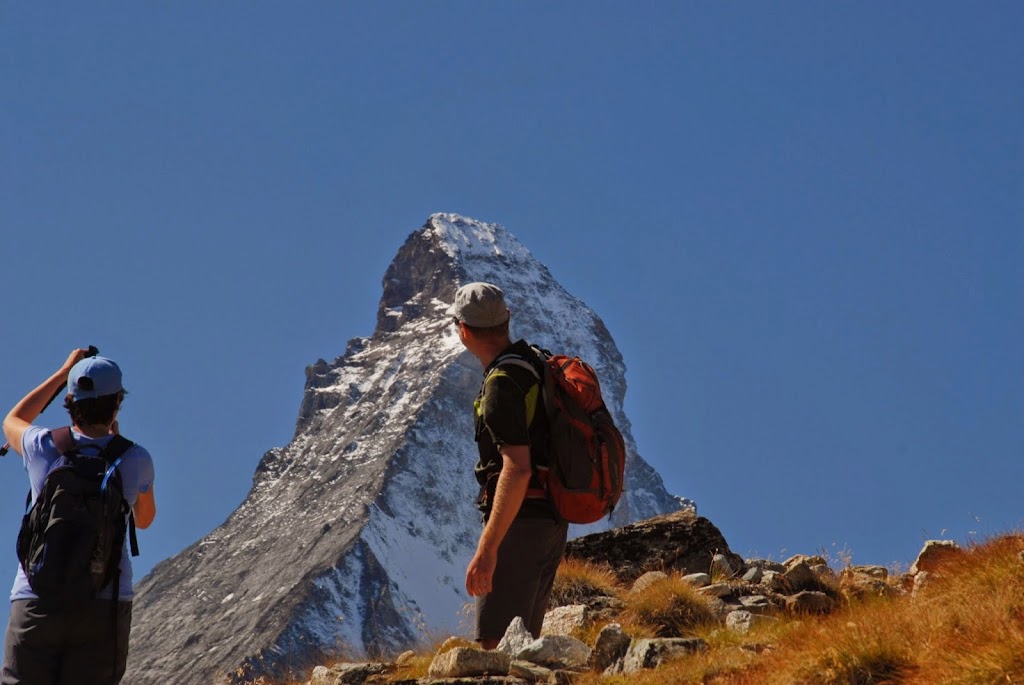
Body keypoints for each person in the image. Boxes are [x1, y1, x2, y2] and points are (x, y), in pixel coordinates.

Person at [1, 349, 156, 685]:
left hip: (36, 598)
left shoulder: (42, 446)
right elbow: (144, 519)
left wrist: (62, 372)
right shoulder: (135, 459)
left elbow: (11, 419)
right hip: (104, 603)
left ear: (70, 401)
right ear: (116, 403)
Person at [449, 282, 568, 649]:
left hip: (521, 522)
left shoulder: (501, 384)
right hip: (550, 517)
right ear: (507, 320)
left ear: (464, 330)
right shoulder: (532, 363)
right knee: (522, 649)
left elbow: (517, 468)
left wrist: (487, 550)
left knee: (495, 648)